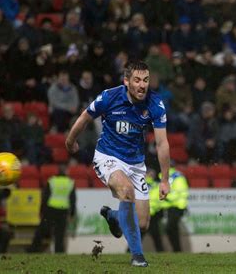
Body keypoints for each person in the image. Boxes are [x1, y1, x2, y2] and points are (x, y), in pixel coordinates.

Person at [65, 61, 170, 267]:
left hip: (136, 164)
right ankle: (138, 256)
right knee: (126, 190)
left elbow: (162, 143)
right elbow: (85, 117)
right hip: (108, 157)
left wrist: (165, 180)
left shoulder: (155, 104)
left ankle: (114, 216)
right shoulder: (109, 96)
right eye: (137, 80)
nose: (142, 85)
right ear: (126, 81)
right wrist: (70, 141)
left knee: (142, 224)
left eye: (146, 80)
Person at [27, 167, 76, 253]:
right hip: (63, 210)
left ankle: (33, 249)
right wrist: (72, 213)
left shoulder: (52, 181)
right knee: (59, 233)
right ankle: (59, 251)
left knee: (41, 230)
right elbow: (73, 200)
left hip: (51, 208)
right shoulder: (70, 182)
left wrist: (41, 210)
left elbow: (45, 197)